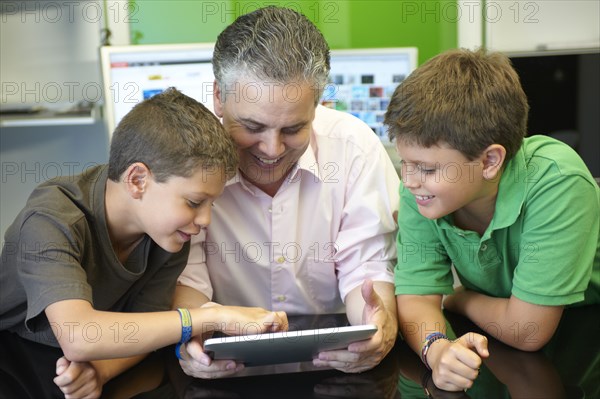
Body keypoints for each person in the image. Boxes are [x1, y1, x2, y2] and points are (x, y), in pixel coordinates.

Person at [0, 88, 287, 398]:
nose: (205, 220)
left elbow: (149, 325)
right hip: (16, 361)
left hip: (98, 359)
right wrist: (212, 315)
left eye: (211, 205)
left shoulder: (169, 234)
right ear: (138, 180)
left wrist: (101, 371)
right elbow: (79, 334)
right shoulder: (51, 219)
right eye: (194, 202)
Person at [174, 6, 400, 377]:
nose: (272, 148)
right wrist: (190, 338)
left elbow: (366, 267)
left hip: (334, 366)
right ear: (218, 97)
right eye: (252, 126)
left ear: (319, 104)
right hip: (227, 368)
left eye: (294, 129)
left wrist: (378, 328)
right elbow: (188, 277)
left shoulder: (354, 147)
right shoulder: (184, 157)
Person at [384, 48, 600, 392]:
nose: (409, 180)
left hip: (581, 339)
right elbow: (415, 299)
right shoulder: (422, 192)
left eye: (427, 168)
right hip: (498, 337)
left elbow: (528, 330)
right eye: (405, 163)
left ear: (489, 161)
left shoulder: (558, 180)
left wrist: (459, 298)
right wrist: (438, 350)